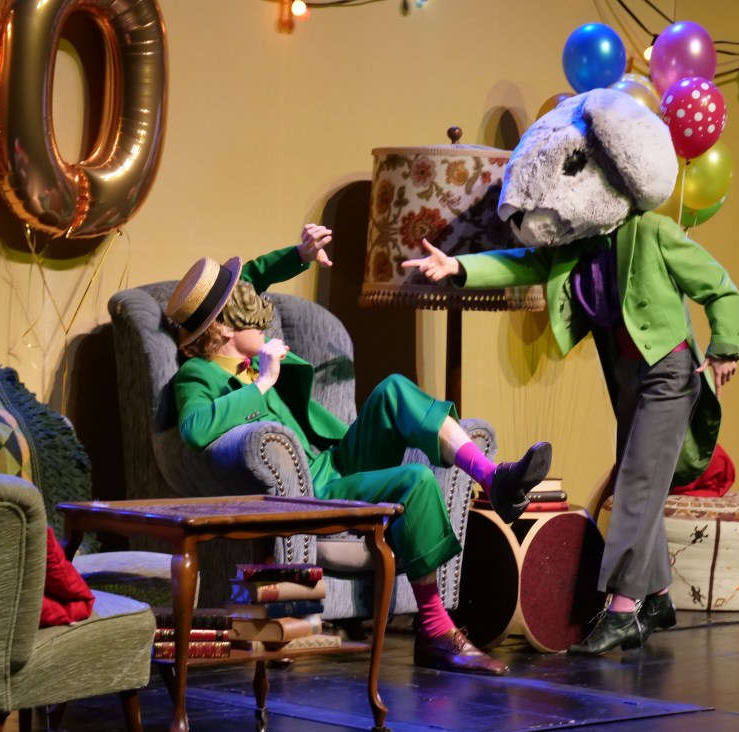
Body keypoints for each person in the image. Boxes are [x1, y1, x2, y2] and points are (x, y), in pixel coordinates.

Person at [165, 224, 552, 675]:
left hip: (334, 460)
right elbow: (193, 430)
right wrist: (263, 383)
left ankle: (492, 477)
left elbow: (249, 279)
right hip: (311, 490)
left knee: (393, 390)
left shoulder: (248, 344)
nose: (264, 316)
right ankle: (435, 631)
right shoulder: (198, 375)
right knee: (416, 479)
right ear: (226, 328)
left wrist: (299, 253)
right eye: (251, 313)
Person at [404, 210, 739, 656]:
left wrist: (725, 347)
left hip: (669, 372)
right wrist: (457, 266)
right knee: (638, 483)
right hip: (628, 375)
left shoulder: (652, 230)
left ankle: (622, 612)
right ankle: (658, 598)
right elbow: (521, 263)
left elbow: (719, 285)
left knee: (637, 482)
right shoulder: (574, 246)